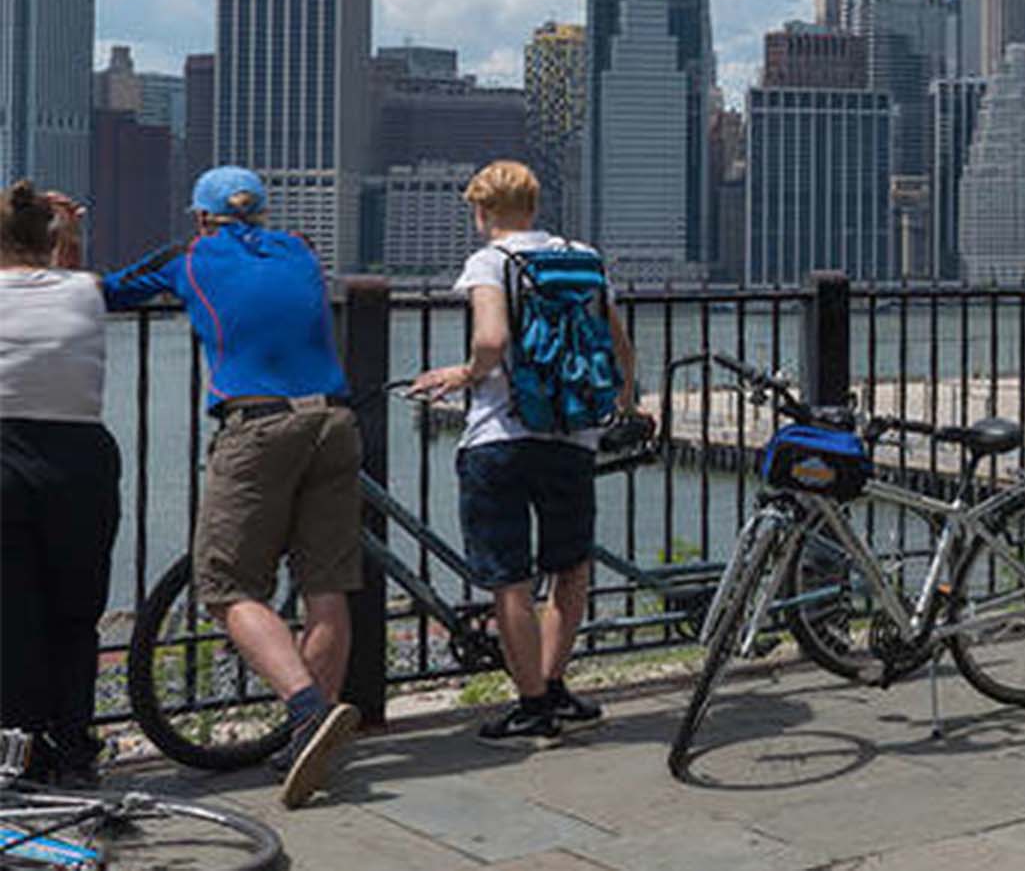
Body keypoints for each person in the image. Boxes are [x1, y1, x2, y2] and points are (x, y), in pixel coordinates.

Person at [100, 168, 361, 807]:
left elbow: (105, 294)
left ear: (200, 217)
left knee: (226, 586)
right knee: (326, 584)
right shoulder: (300, 247)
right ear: (263, 213)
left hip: (261, 426)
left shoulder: (189, 259)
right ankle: (314, 738)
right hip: (333, 419)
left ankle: (304, 709)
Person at [408, 161, 638, 743]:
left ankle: (531, 702)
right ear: (535, 206)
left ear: (482, 212)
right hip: (572, 434)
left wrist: (465, 374)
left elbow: (491, 339)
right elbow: (619, 345)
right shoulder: (583, 257)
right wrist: (622, 404)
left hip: (500, 437)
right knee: (571, 566)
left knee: (510, 578)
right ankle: (558, 685)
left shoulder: (491, 262)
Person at [0, 183, 119, 787]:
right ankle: (72, 749)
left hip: (3, 459)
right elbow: (70, 268)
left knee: (9, 614)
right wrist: (68, 227)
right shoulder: (85, 292)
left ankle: (15, 757)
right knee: (75, 615)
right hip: (79, 460)